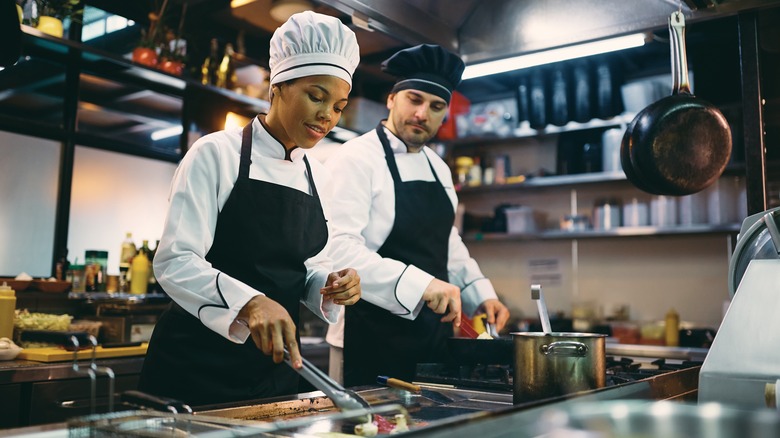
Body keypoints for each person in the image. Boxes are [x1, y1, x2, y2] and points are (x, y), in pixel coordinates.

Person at [139, 11, 362, 406]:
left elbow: (300, 266)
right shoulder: (216, 154)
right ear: (278, 86)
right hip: (195, 366)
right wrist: (251, 302)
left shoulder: (319, 177)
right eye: (316, 96)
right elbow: (175, 261)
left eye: (339, 106)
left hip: (272, 369)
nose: (328, 115)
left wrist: (328, 284)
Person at [324, 44, 511, 386]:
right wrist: (421, 284)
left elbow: (446, 240)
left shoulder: (439, 169)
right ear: (392, 99)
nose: (423, 113)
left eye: (436, 106)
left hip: (430, 339)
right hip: (366, 336)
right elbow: (337, 250)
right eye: (414, 99)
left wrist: (479, 292)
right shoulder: (354, 158)